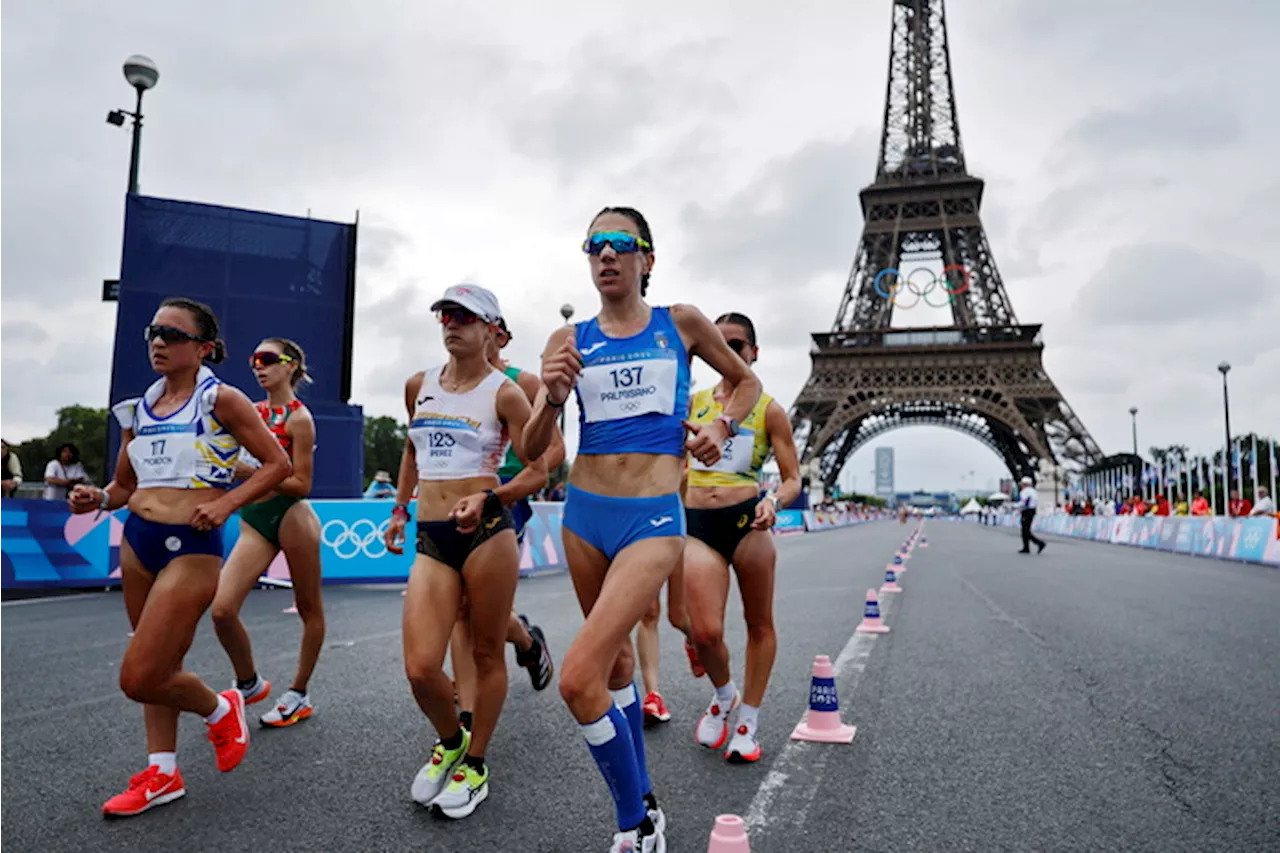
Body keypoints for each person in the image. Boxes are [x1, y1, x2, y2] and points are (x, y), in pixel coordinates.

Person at [522, 207, 761, 852]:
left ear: (646, 258)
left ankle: (635, 822)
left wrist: (719, 428)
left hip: (653, 517)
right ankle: (646, 796)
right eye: (593, 245)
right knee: (618, 659)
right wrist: (550, 394)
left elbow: (744, 383)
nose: (605, 255)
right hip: (583, 516)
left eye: (619, 244)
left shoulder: (678, 323)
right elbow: (530, 449)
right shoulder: (566, 339)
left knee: (578, 678)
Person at [67, 297, 291, 818]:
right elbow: (124, 484)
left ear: (204, 348)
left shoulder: (223, 400)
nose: (159, 342)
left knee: (139, 675)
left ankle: (222, 708)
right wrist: (96, 500)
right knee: (161, 665)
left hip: (191, 548)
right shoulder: (140, 406)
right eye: (153, 332)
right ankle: (162, 772)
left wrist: (225, 503)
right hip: (139, 540)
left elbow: (277, 465)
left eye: (172, 334)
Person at [384, 283, 544, 820]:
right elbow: (411, 448)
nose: (452, 323)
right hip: (432, 533)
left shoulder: (506, 392)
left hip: (487, 530)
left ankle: (475, 764)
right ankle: (450, 739)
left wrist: (488, 496)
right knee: (420, 666)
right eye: (445, 315)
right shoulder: (419, 385)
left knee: (482, 650)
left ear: (490, 329)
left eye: (464, 317)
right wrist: (400, 510)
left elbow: (539, 469)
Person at [682, 312, 801, 763]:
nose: (729, 352)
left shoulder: (769, 409)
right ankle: (724, 693)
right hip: (698, 526)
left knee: (758, 624)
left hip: (748, 522)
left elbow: (792, 478)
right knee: (706, 633)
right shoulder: (692, 403)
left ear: (754, 352)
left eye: (738, 345)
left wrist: (775, 501)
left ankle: (748, 719)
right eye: (721, 344)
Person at [449, 314, 559, 732]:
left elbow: (555, 449)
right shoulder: (451, 382)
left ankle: (527, 645)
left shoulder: (523, 382)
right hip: (459, 494)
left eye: (489, 331)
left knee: (477, 607)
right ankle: (467, 709)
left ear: (501, 336)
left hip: (507, 495)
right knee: (461, 608)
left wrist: (515, 479)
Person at [211, 338, 326, 728]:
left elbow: (303, 484)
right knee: (222, 609)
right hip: (255, 520)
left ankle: (299, 692)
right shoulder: (252, 412)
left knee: (309, 609)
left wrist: (253, 474)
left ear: (291, 366)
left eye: (267, 360)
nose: (258, 367)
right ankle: (249, 682)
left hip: (293, 516)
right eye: (253, 360)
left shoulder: (299, 418)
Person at [1017, 475, 1046, 554]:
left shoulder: (1025, 492)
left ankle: (1038, 543)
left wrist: (1015, 506)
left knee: (1025, 530)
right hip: (1032, 510)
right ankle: (1027, 547)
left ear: (1025, 484)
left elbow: (1024, 502)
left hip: (1026, 511)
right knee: (1026, 530)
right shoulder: (1034, 491)